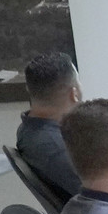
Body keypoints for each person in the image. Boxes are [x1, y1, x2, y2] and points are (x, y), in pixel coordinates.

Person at [14, 51, 82, 201]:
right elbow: (104, 198)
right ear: (74, 93)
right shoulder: (56, 148)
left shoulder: (27, 130)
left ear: (29, 90)